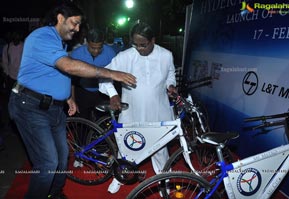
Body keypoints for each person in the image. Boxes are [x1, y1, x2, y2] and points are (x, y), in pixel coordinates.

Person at [8, 2, 136, 199]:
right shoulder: (43, 36)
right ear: (60, 18)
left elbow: (53, 72)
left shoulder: (59, 42)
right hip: (30, 106)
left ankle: (55, 193)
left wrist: (67, 97)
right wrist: (112, 73)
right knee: (48, 162)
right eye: (75, 23)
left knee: (62, 157)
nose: (77, 29)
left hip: (54, 108)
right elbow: (68, 67)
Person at [99, 21, 177, 194]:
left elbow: (170, 75)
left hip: (158, 110)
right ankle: (119, 177)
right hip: (132, 111)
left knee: (160, 148)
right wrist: (112, 93)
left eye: (143, 45)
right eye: (135, 44)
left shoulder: (166, 55)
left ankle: (164, 181)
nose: (139, 48)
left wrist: (171, 86)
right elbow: (103, 75)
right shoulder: (125, 56)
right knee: (127, 146)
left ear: (153, 40)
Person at [70, 27, 116, 120]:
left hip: (103, 93)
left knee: (104, 123)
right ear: (87, 42)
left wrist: (113, 96)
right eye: (93, 48)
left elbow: (114, 77)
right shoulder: (76, 54)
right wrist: (72, 99)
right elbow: (71, 81)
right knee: (82, 123)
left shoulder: (110, 53)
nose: (96, 51)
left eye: (100, 48)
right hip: (83, 92)